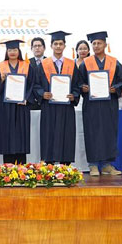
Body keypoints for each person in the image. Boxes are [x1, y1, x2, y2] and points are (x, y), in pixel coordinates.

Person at [78, 31, 122, 176]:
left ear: (105, 44)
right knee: (92, 132)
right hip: (91, 104)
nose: (96, 46)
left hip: (109, 103)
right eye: (94, 43)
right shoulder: (85, 63)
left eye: (99, 43)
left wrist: (115, 88)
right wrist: (82, 87)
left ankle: (107, 164)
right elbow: (78, 82)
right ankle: (92, 164)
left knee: (109, 132)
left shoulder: (114, 62)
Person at [34, 30, 80, 164]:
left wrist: (74, 95)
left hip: (66, 107)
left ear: (65, 46)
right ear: (51, 46)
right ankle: (49, 165)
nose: (58, 46)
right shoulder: (43, 65)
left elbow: (77, 85)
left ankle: (65, 166)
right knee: (49, 134)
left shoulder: (72, 64)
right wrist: (43, 93)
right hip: (49, 106)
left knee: (66, 134)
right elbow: (36, 85)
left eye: (61, 43)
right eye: (56, 44)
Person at [0, 40, 35, 164]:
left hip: (22, 106)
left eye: (15, 50)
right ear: (6, 51)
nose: (12, 52)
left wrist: (27, 98)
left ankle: (22, 167)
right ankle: (8, 166)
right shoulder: (0, 66)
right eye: (10, 50)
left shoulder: (26, 66)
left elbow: (32, 85)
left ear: (19, 51)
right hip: (6, 107)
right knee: (7, 136)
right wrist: (1, 79)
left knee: (21, 136)